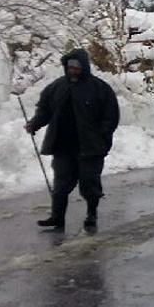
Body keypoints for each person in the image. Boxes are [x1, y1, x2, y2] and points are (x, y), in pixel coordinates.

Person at [25, 48, 120, 230]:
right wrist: (34, 124)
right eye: (70, 67)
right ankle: (57, 217)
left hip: (90, 146)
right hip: (63, 145)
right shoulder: (57, 87)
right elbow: (45, 110)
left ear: (84, 67)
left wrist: (101, 135)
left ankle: (92, 214)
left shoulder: (100, 89)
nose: (73, 70)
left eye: (76, 67)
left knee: (89, 183)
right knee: (61, 183)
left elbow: (111, 116)